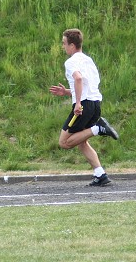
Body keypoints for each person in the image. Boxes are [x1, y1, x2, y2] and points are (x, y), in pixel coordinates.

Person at [49, 28, 119, 187]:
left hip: (84, 105)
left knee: (64, 142)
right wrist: (68, 92)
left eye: (64, 43)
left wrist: (78, 102)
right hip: (95, 104)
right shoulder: (89, 60)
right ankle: (100, 174)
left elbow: (79, 79)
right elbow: (87, 84)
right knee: (82, 142)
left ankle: (99, 128)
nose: (63, 46)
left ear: (72, 45)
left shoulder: (71, 62)